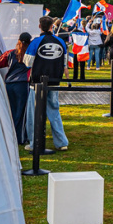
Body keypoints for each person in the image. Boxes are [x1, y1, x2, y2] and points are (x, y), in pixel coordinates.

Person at [24, 16, 70, 151]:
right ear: (52, 26)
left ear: (39, 26)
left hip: (37, 83)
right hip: (54, 81)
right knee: (54, 111)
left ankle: (34, 143)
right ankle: (61, 143)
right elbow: (65, 62)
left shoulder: (36, 42)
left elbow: (27, 62)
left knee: (34, 113)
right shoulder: (61, 41)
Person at [0, 32, 32, 144]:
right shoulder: (29, 54)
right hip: (23, 84)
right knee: (22, 112)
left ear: (18, 41)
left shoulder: (10, 53)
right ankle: (20, 138)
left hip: (10, 84)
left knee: (11, 111)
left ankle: (10, 137)